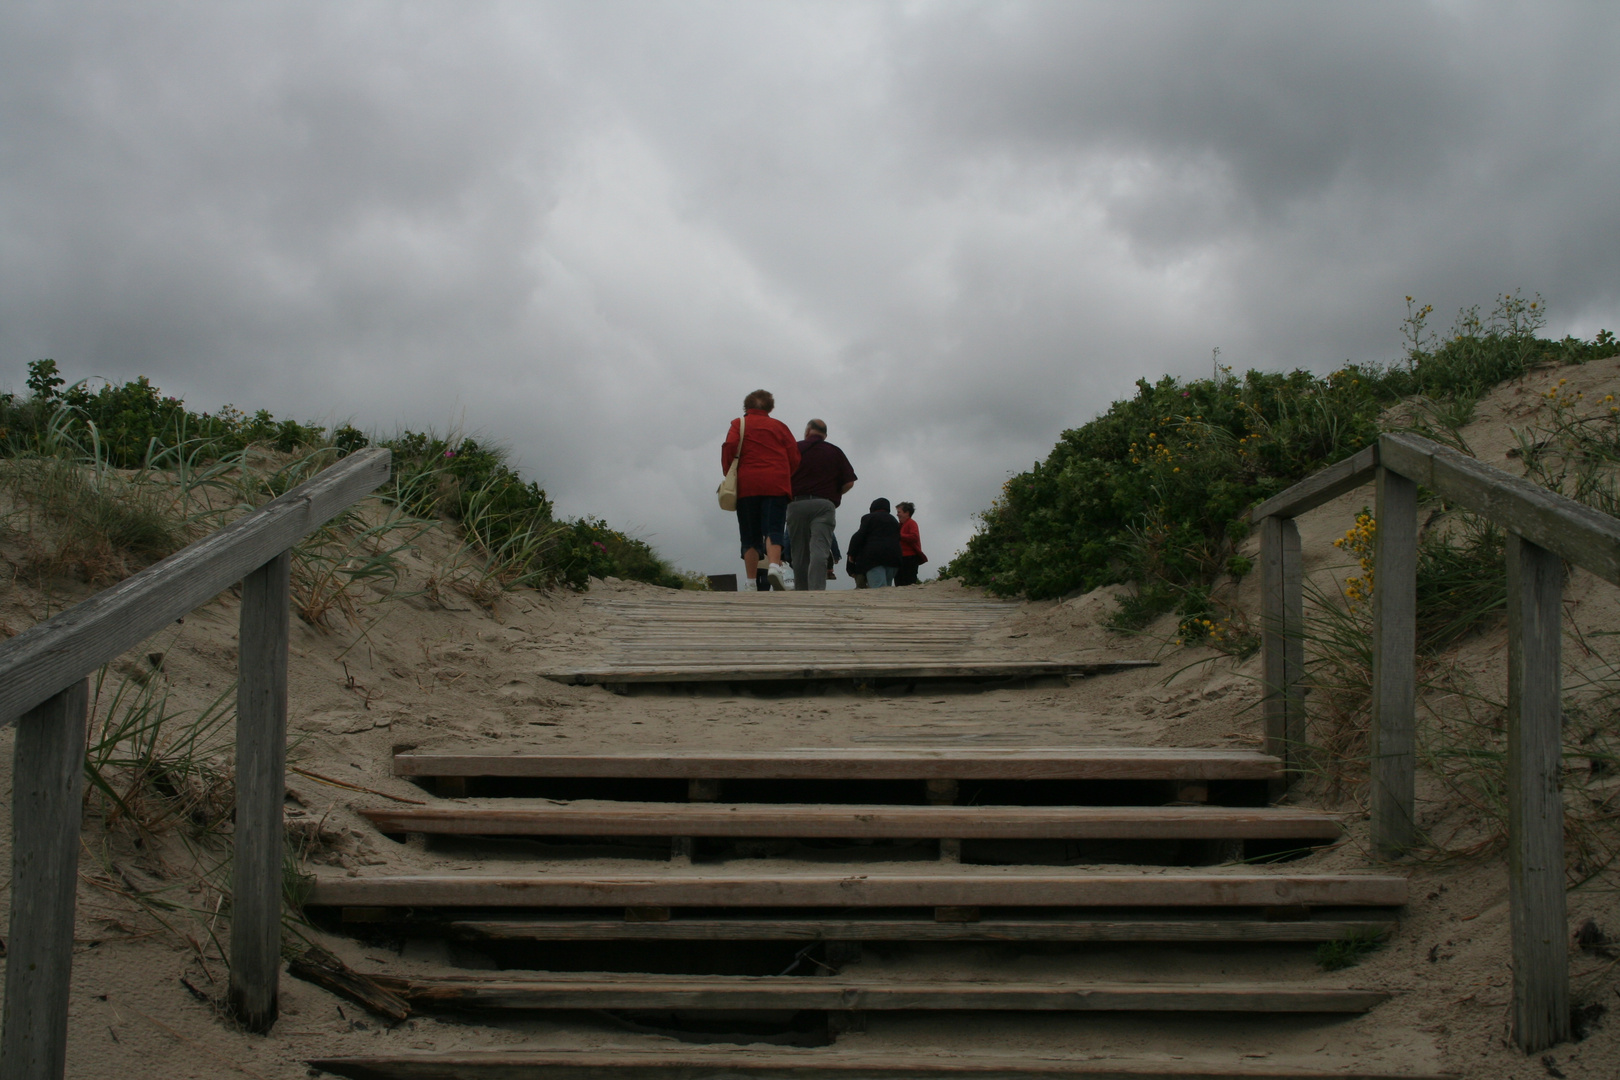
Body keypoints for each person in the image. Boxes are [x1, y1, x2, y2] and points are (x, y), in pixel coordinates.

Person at [721, 390, 800, 591]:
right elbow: (795, 457)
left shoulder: (739, 424)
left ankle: (750, 582)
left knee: (749, 535)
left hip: (747, 485)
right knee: (773, 528)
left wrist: (728, 472)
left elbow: (730, 446)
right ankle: (774, 566)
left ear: (746, 407)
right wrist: (784, 473)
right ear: (770, 408)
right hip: (776, 484)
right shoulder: (780, 427)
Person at [786, 418, 857, 591]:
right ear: (825, 435)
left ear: (808, 430)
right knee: (820, 549)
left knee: (799, 552)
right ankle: (816, 591)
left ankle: (801, 591)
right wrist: (831, 495)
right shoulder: (835, 451)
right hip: (824, 505)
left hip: (796, 504)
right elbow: (849, 482)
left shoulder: (794, 448)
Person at [847, 498, 903, 588]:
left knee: (879, 588)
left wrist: (851, 554)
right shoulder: (894, 521)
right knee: (887, 587)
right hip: (894, 558)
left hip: (874, 558)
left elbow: (858, 536)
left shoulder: (868, 517)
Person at [895, 501, 926, 586]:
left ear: (907, 513)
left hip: (910, 558)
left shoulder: (911, 523)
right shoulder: (900, 525)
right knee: (899, 583)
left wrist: (899, 536)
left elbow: (914, 537)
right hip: (901, 557)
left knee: (909, 582)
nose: (897, 514)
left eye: (899, 512)